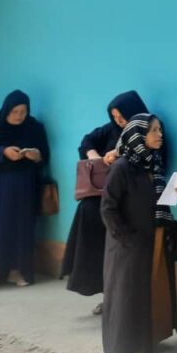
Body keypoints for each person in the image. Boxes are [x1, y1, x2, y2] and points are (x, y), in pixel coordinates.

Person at [101, 114, 177, 353]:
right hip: (127, 246)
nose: (160, 135)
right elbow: (108, 208)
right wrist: (126, 239)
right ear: (137, 136)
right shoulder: (122, 167)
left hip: (150, 241)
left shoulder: (152, 164)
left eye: (160, 129)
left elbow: (160, 201)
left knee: (144, 296)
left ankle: (143, 346)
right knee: (125, 299)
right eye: (153, 130)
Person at [62, 91, 149, 314]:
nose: (119, 121)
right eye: (115, 117)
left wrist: (119, 154)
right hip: (106, 198)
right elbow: (87, 140)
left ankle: (119, 298)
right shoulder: (111, 130)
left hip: (131, 197)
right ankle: (104, 292)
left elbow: (149, 158)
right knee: (88, 214)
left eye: (122, 116)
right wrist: (95, 156)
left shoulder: (148, 129)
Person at [0, 90, 49, 287]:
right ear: (6, 110)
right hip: (1, 183)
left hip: (25, 183)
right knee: (1, 226)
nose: (19, 116)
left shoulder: (34, 127)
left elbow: (44, 154)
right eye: (15, 112)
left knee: (22, 227)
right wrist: (3, 152)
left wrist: (36, 156)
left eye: (23, 111)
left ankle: (18, 270)